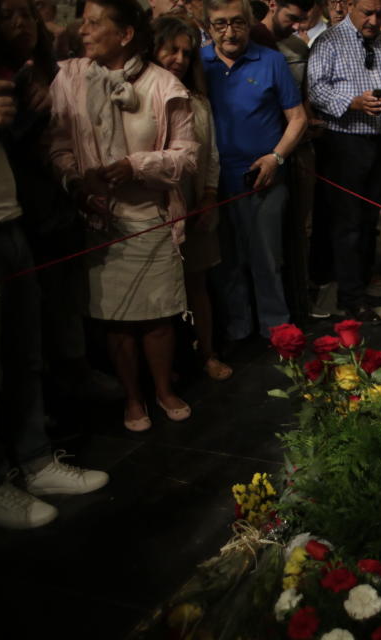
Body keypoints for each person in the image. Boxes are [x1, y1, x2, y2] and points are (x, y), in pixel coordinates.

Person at [48, 0, 198, 430]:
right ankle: (133, 398)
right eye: (84, 22)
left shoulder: (163, 84)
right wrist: (76, 184)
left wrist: (136, 165)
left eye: (96, 23)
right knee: (116, 320)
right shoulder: (70, 78)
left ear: (126, 33)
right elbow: (57, 145)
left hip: (150, 216)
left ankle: (164, 390)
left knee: (158, 315)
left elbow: (186, 157)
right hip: (99, 222)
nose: (84, 30)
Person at [0, 6, 108, 531]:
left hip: (9, 216)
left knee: (24, 351)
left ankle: (36, 460)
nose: (19, 22)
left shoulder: (16, 68)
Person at [201, 0, 307, 343]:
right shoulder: (198, 63)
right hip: (214, 182)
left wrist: (275, 158)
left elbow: (298, 119)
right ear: (208, 26)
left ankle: (276, 330)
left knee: (267, 258)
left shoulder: (271, 60)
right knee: (226, 262)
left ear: (249, 23)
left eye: (237, 23)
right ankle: (237, 329)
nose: (229, 32)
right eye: (220, 24)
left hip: (264, 177)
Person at [308, 0, 381, 323]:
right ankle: (349, 297)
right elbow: (315, 89)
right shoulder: (329, 41)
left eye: (379, 13)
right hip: (344, 143)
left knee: (369, 220)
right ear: (350, 5)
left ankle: (360, 287)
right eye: (367, 12)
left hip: (380, 142)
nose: (373, 19)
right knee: (348, 223)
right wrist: (351, 102)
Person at [151, 16, 232, 382]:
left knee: (198, 283)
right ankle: (167, 368)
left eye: (186, 53)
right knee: (160, 291)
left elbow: (210, 154)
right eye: (172, 51)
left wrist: (210, 194)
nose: (180, 59)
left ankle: (208, 353)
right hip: (155, 209)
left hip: (195, 201)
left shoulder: (198, 101)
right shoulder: (142, 95)